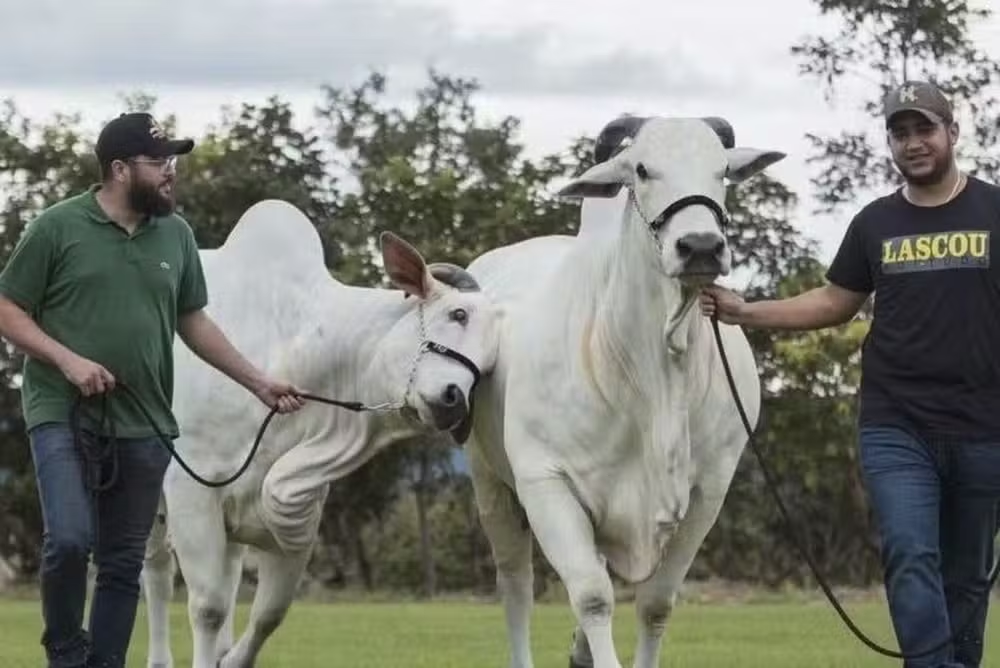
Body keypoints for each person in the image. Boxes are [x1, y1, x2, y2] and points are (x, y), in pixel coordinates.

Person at [701, 80, 1000, 668]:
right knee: (910, 555)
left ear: (952, 132)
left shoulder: (994, 210)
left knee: (967, 575)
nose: (913, 142)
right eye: (900, 133)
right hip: (897, 425)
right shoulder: (875, 223)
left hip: (985, 425)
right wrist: (745, 311)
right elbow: (836, 301)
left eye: (924, 129)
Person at [0, 112, 306, 668]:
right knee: (69, 540)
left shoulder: (176, 234)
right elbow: (6, 307)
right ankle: (65, 651)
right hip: (61, 410)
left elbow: (194, 322)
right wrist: (68, 361)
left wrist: (259, 382)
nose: (170, 172)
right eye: (159, 161)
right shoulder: (57, 227)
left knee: (122, 563)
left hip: (144, 421)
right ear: (120, 169)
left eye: (172, 162)